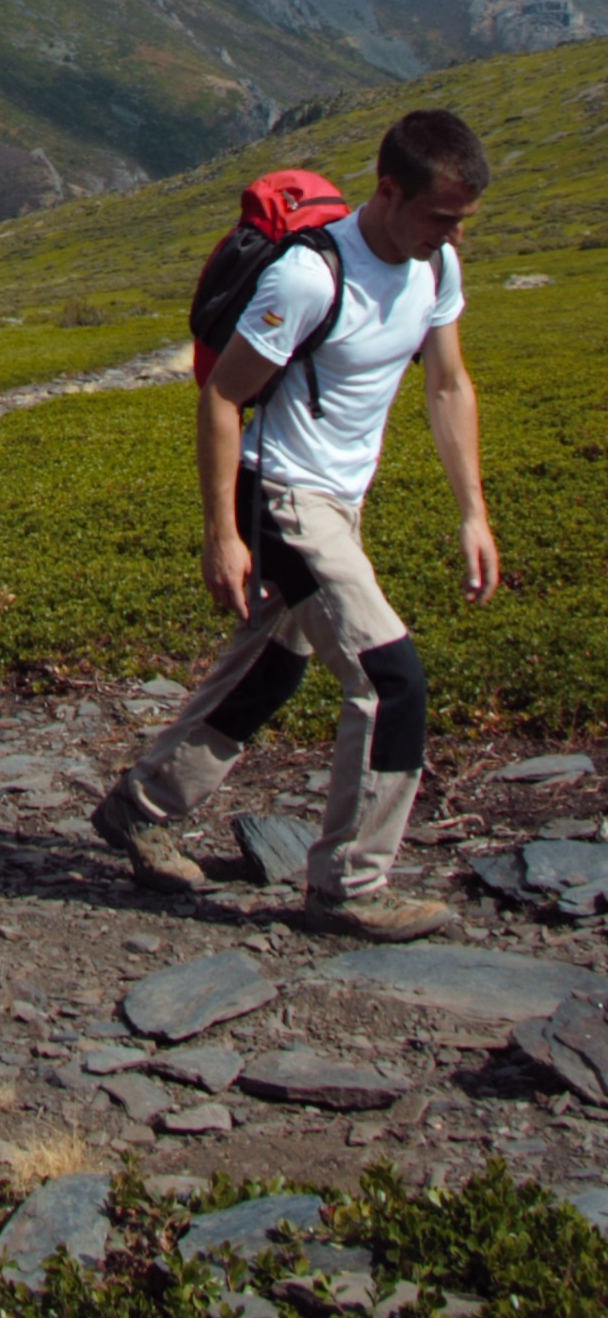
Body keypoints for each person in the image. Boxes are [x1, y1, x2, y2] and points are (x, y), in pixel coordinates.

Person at [92, 107, 500, 940]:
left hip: (342, 502)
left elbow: (448, 385)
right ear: (390, 191)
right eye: (440, 216)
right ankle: (350, 887)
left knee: (270, 669)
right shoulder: (311, 278)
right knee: (392, 682)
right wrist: (223, 534)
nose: (451, 233)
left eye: (460, 219)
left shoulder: (436, 267)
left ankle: (142, 808)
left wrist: (473, 513)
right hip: (283, 496)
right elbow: (223, 396)